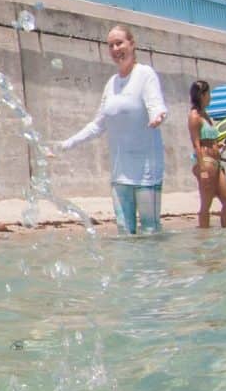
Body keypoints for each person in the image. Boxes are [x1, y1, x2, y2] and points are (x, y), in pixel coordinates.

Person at [58, 25, 167, 235]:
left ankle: (153, 270)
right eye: (111, 45)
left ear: (132, 44)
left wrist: (158, 115)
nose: (116, 49)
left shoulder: (145, 74)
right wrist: (67, 143)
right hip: (120, 174)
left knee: (150, 232)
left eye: (120, 43)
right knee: (124, 233)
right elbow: (98, 125)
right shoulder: (112, 84)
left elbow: (156, 104)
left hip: (147, 172)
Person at [187, 79, 226, 229]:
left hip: (215, 161)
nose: (210, 97)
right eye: (209, 93)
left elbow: (208, 138)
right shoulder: (194, 116)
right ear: (202, 95)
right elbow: (196, 144)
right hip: (205, 162)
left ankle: (225, 236)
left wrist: (217, 145)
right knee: (206, 204)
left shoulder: (205, 114)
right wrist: (203, 170)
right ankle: (204, 239)